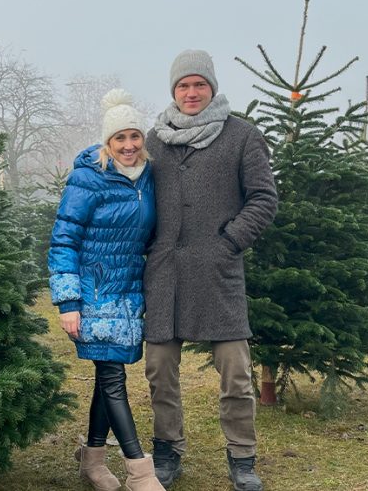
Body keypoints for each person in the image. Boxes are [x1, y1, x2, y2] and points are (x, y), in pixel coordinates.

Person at [143, 50, 278, 491]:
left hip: (218, 273)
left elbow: (263, 199)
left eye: (199, 84)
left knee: (236, 373)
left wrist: (228, 243)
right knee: (160, 371)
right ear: (173, 91)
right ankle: (167, 451)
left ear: (212, 88)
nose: (191, 92)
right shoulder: (154, 140)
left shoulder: (242, 136)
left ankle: (242, 458)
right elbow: (134, 196)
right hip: (164, 275)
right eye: (183, 86)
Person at [48, 89, 165, 491]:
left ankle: (93, 461)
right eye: (120, 139)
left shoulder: (149, 177)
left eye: (135, 137)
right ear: (107, 142)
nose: (129, 146)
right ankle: (140, 472)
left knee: (107, 376)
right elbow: (63, 241)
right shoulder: (88, 179)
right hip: (95, 292)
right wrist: (68, 302)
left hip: (129, 292)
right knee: (113, 378)